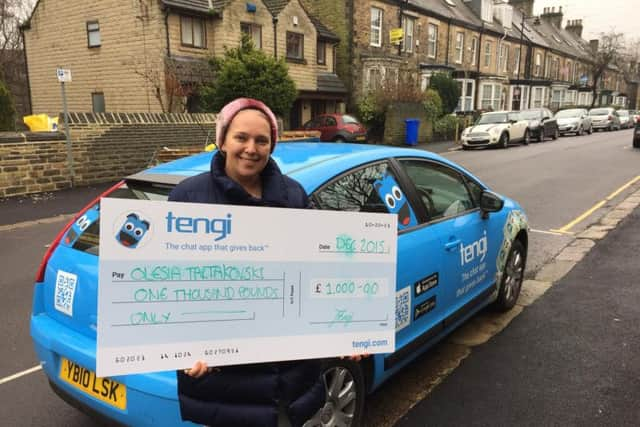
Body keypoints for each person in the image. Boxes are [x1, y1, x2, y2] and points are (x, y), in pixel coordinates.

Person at [168, 98, 325, 427]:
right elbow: (172, 284)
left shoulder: (294, 196)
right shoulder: (187, 197)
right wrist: (184, 347)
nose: (251, 148)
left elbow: (318, 271)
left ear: (272, 145)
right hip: (224, 385)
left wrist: (348, 331)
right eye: (241, 137)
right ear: (223, 139)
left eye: (262, 140)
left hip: (287, 381)